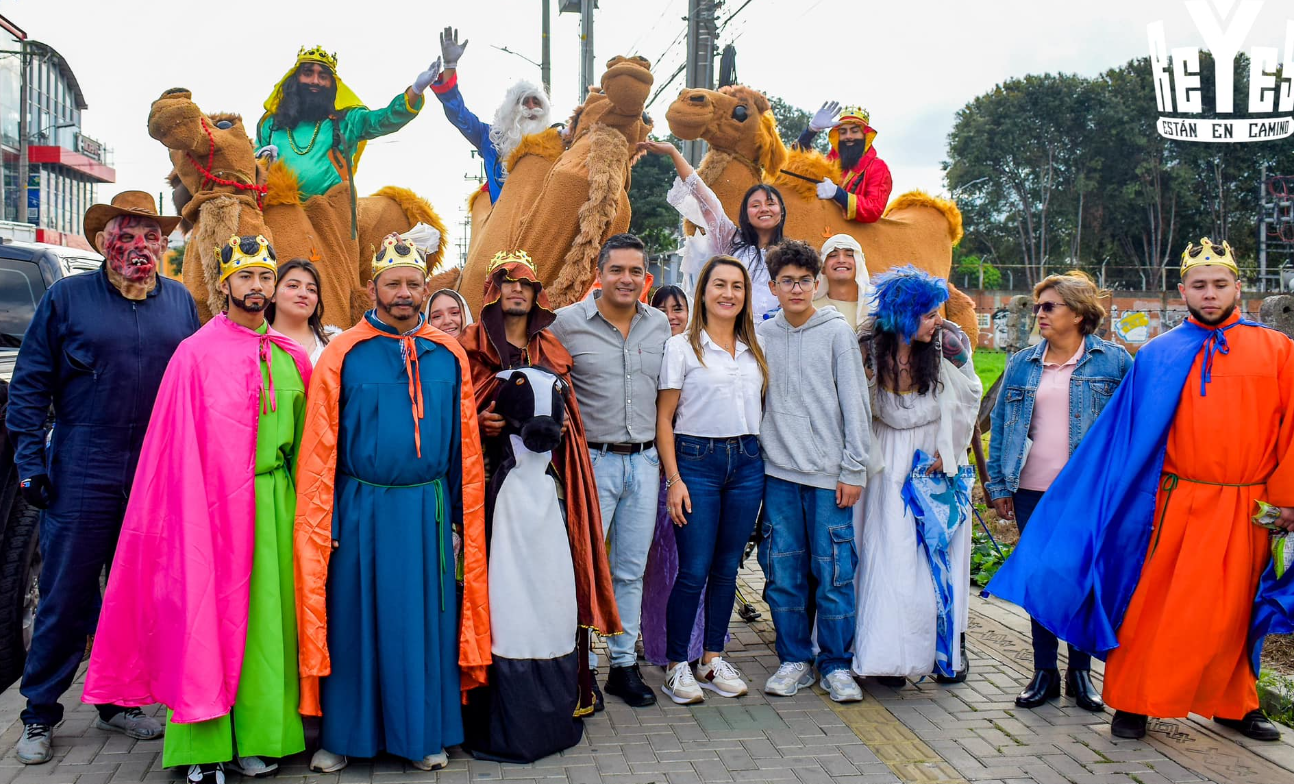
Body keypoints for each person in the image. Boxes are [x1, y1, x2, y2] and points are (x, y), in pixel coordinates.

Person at [989, 238, 1294, 742]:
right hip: (1176, 501)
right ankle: (1133, 701)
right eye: (1200, 285)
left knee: (1239, 609)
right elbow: (1124, 437)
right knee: (1151, 605)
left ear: (1239, 288)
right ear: (1183, 292)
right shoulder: (1158, 354)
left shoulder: (1278, 350)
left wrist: (1286, 498)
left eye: (1220, 284)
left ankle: (1237, 703)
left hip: (1248, 503)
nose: (1211, 294)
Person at [83, 235, 311, 783]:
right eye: (245, 277)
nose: (255, 287)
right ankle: (202, 748)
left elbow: (308, 448)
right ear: (225, 284)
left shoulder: (293, 358)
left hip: (273, 505)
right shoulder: (195, 354)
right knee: (206, 625)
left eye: (264, 277)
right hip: (207, 511)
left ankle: (259, 736)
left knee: (265, 629)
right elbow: (171, 448)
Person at [7, 191, 199, 765]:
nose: (140, 245)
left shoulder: (181, 303)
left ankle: (119, 701)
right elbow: (29, 386)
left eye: (151, 235)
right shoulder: (67, 298)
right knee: (66, 594)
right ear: (103, 242)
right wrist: (29, 463)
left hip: (155, 470)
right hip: (83, 463)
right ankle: (39, 713)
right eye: (128, 234)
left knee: (137, 596)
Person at [294, 231, 490, 773]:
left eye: (413, 283)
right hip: (359, 509)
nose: (403, 292)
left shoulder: (448, 354)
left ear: (425, 288)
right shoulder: (342, 353)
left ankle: (421, 733)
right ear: (372, 287)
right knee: (352, 621)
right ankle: (343, 736)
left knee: (420, 625)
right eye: (393, 283)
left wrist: (456, 518)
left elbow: (462, 450)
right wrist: (326, 518)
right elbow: (320, 448)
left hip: (424, 513)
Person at [459, 250, 621, 714]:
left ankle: (564, 690)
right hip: (488, 485)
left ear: (535, 295)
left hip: (549, 486)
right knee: (492, 584)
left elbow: (568, 413)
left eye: (525, 284)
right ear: (493, 292)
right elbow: (455, 410)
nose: (516, 290)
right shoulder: (468, 348)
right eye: (506, 281)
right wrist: (479, 421)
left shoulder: (550, 349)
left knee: (553, 580)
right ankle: (488, 699)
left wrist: (564, 429)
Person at [985, 271, 1130, 712]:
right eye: (1038, 306)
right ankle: (1044, 671)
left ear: (1080, 313)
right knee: (1041, 578)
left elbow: (1129, 429)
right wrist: (999, 485)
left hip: (1086, 494)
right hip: (1031, 490)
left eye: (1050, 306)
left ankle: (1080, 672)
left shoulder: (1115, 362)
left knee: (1081, 579)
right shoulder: (1023, 363)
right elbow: (1001, 426)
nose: (1040, 314)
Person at [549, 234, 670, 708]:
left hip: (644, 461)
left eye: (635, 272)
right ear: (599, 274)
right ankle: (584, 667)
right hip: (590, 462)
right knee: (583, 565)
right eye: (616, 270)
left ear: (646, 278)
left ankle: (623, 663)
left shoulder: (660, 325)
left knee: (630, 570)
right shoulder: (566, 324)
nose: (626, 279)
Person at [853, 266, 980, 687]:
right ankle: (888, 656)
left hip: (932, 459)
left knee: (933, 559)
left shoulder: (949, 343)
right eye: (927, 314)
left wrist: (950, 450)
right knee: (887, 554)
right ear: (904, 315)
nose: (937, 320)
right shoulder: (869, 346)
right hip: (884, 458)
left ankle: (939, 651)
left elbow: (970, 392)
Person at [756, 240, 870, 703]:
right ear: (773, 287)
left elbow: (856, 403)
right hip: (779, 474)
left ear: (817, 283)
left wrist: (853, 468)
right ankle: (794, 659)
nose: (797, 288)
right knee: (783, 573)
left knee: (836, 573)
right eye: (788, 281)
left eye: (805, 280)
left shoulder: (837, 332)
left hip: (829, 476)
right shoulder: (763, 335)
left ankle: (837, 664)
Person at [657, 255, 769, 704]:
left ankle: (711, 658)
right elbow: (664, 419)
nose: (728, 293)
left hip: (747, 462)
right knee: (694, 571)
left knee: (727, 570)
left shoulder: (754, 350)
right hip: (696, 462)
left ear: (745, 296)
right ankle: (676, 664)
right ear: (703, 291)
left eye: (737, 286)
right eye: (719, 285)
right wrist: (675, 480)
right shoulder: (681, 347)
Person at [256, 45, 441, 219]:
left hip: (330, 219)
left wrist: (415, 90)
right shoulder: (271, 123)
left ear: (332, 83)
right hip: (279, 216)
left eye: (323, 76)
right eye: (308, 73)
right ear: (296, 79)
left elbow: (383, 120)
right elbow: (252, 167)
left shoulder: (346, 120)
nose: (315, 81)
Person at [640, 139, 786, 322]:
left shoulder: (790, 253)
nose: (764, 209)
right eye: (755, 205)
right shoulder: (731, 241)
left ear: (781, 211)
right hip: (732, 337)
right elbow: (706, 199)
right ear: (745, 214)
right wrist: (673, 152)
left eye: (770, 203)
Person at [430, 27, 552, 203]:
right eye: (525, 102)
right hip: (501, 224)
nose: (531, 108)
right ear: (512, 108)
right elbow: (458, 114)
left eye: (536, 102)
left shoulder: (555, 141)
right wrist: (450, 67)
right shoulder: (490, 139)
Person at [796, 103, 892, 223]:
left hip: (855, 237)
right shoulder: (830, 162)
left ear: (865, 135)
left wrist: (839, 194)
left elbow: (873, 210)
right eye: (843, 132)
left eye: (854, 131)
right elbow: (798, 165)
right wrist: (811, 130)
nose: (848, 136)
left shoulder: (878, 167)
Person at [267, 257, 331, 364]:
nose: (303, 294)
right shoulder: (256, 343)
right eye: (293, 286)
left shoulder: (334, 343)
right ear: (272, 294)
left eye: (311, 289)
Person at [813, 234, 870, 332]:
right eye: (833, 255)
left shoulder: (875, 308)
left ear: (860, 264)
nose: (841, 260)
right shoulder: (810, 309)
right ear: (822, 268)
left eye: (849, 255)